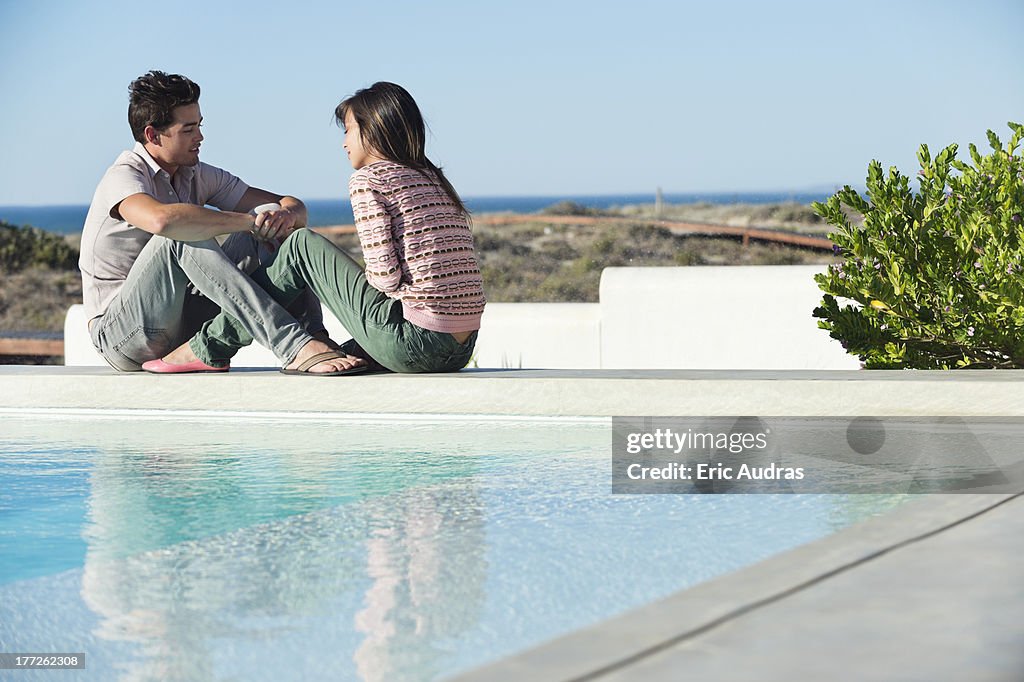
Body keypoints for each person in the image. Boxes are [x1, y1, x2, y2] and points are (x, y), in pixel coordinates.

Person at [152, 82, 485, 374]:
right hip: (459, 349)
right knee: (341, 341)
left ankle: (208, 347)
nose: (344, 144)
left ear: (373, 131)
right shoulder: (434, 180)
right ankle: (307, 341)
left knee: (300, 246)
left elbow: (386, 279)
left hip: (414, 344)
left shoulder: (370, 179)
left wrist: (338, 282)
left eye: (348, 131)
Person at [80, 70, 366, 375]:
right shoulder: (124, 175)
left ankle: (313, 335)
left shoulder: (197, 173)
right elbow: (161, 221)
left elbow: (291, 206)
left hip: (181, 321)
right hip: (123, 334)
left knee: (272, 216)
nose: (200, 137)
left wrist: (281, 216)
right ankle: (293, 346)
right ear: (153, 135)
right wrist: (247, 222)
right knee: (178, 237)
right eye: (188, 129)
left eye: (199, 126)